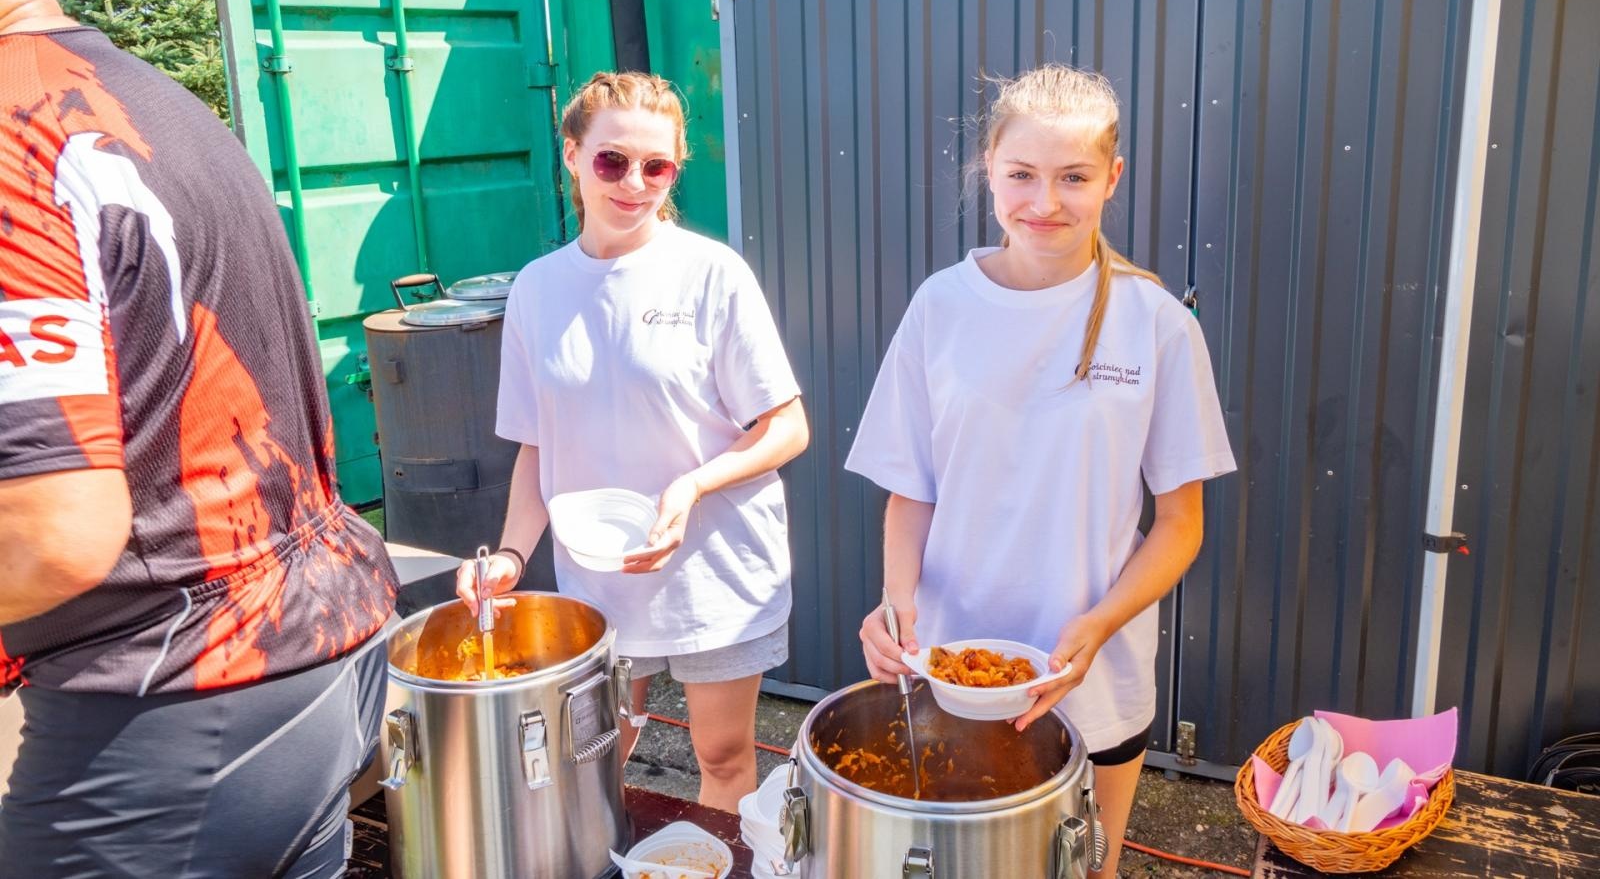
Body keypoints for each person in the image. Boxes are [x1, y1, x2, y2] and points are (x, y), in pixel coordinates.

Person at [0, 0, 398, 878]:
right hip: (317, 660)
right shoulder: (153, 98)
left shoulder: (11, 135)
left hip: (171, 703)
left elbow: (55, 532)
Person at [848, 64, 1236, 878]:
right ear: (988, 169)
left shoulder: (1156, 324)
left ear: (1112, 179)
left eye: (1073, 177)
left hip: (1095, 682)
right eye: (1021, 174)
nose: (1044, 201)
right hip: (954, 680)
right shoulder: (940, 307)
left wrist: (1096, 628)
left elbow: (1180, 523)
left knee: (1086, 871)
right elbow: (910, 491)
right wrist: (895, 605)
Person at [456, 72, 808, 812]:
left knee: (721, 754)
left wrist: (692, 486)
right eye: (613, 161)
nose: (635, 183)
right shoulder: (537, 289)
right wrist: (514, 556)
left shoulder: (711, 273)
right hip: (598, 578)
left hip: (716, 567)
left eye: (658, 167)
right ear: (573, 156)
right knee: (592, 752)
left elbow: (787, 426)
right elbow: (536, 446)